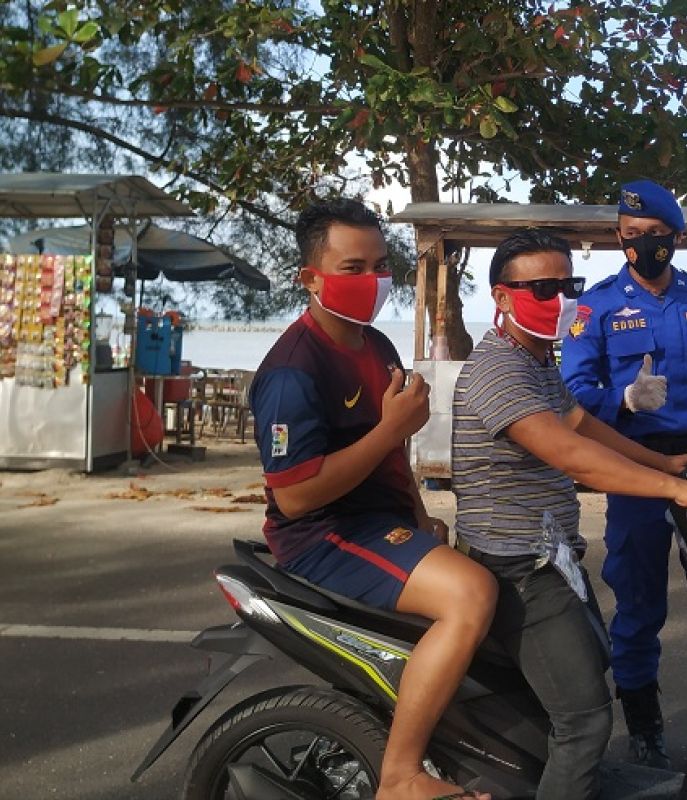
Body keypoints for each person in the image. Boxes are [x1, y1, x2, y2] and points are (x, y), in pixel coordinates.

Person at [453, 229, 687, 799]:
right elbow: (573, 455)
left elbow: (584, 424)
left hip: (548, 552)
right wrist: (672, 488)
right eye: (540, 287)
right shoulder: (499, 370)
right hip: (518, 565)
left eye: (566, 285)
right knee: (586, 721)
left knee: (583, 675)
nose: (558, 299)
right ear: (502, 298)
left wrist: (668, 461)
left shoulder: (533, 361)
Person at [249, 198, 496, 800]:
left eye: (381, 266)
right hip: (325, 537)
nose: (372, 281)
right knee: (471, 596)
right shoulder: (292, 372)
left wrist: (420, 517)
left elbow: (392, 458)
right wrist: (392, 429)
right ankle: (401, 775)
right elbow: (298, 496)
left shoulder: (375, 345)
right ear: (310, 277)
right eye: (352, 268)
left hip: (379, 523)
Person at [559, 180, 687, 769]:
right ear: (619, 237)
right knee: (638, 600)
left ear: (676, 236)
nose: (642, 245)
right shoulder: (595, 306)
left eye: (654, 235)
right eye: (631, 235)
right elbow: (571, 392)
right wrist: (622, 400)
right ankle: (644, 726)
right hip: (634, 465)